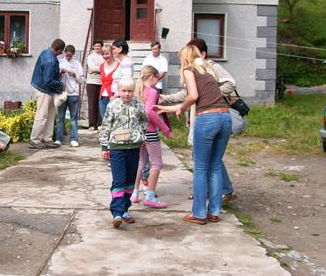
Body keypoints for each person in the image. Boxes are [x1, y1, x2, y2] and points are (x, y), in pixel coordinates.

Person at [155, 45, 231, 225]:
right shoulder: (208, 70)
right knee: (215, 166)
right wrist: (167, 108)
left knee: (201, 168)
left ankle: (199, 214)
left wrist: (181, 108)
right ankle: (214, 212)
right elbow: (196, 98)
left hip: (207, 119)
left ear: (186, 57)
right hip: (224, 117)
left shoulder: (189, 69)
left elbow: (193, 96)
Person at [99, 76, 148, 229]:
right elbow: (106, 126)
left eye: (130, 91)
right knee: (119, 181)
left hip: (134, 148)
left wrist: (142, 134)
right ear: (119, 91)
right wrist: (104, 147)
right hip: (117, 148)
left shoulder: (138, 105)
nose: (127, 94)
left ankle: (125, 209)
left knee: (130, 182)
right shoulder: (113, 106)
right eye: (124, 91)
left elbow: (144, 120)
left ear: (134, 91)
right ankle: (117, 213)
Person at [131, 65, 172, 208]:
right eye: (157, 78)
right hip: (150, 131)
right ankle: (150, 195)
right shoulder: (152, 91)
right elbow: (149, 112)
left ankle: (134, 193)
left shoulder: (138, 91)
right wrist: (165, 128)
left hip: (139, 131)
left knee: (140, 162)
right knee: (157, 163)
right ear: (152, 77)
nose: (157, 81)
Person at [29, 38, 65, 149]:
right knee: (42, 115)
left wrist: (58, 73)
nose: (61, 53)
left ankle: (47, 138)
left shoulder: (45, 52)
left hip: (45, 88)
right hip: (44, 90)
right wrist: (60, 85)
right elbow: (48, 80)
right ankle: (35, 140)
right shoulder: (51, 60)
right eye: (61, 51)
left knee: (50, 115)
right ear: (58, 49)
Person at [55, 45, 85, 147]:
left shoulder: (77, 64)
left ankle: (74, 139)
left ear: (73, 54)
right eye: (67, 55)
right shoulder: (60, 62)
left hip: (73, 93)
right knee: (60, 117)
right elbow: (55, 77)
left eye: (70, 56)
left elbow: (82, 80)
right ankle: (59, 139)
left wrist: (75, 75)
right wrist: (60, 73)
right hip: (61, 93)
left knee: (73, 118)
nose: (68, 57)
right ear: (64, 53)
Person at [86, 40, 104, 130]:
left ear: (101, 47)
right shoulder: (90, 57)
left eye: (99, 46)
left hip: (102, 82)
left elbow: (105, 67)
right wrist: (101, 68)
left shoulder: (104, 56)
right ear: (93, 47)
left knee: (100, 102)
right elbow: (92, 67)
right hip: (91, 82)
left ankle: (100, 123)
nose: (97, 47)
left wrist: (95, 70)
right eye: (96, 46)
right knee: (92, 103)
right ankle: (92, 124)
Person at [99, 44, 119, 118]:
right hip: (102, 96)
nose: (105, 56)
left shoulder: (118, 66)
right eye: (103, 54)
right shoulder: (102, 66)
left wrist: (115, 95)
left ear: (112, 53)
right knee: (104, 119)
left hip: (114, 96)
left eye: (107, 53)